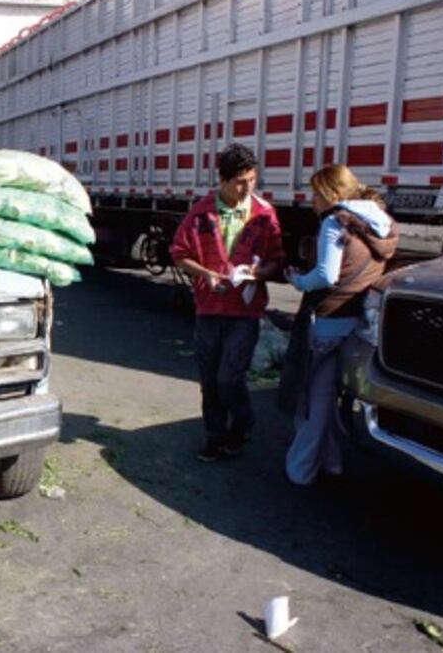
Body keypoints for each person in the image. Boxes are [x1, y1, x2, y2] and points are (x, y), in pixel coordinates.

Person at [283, 164, 398, 485]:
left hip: (330, 320)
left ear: (332, 194)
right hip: (359, 322)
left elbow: (326, 275)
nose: (312, 202)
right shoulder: (380, 222)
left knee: (316, 398)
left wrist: (297, 280)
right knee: (333, 395)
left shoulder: (335, 222)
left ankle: (300, 469)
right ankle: (332, 461)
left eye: (316, 194)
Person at [170, 144, 285, 462]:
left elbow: (277, 261)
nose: (247, 187)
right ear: (221, 180)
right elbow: (179, 253)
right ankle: (215, 437)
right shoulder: (201, 213)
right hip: (209, 309)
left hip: (245, 311)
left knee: (229, 378)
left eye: (252, 179)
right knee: (209, 380)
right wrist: (206, 274)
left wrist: (258, 273)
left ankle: (243, 423)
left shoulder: (264, 214)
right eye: (239, 181)